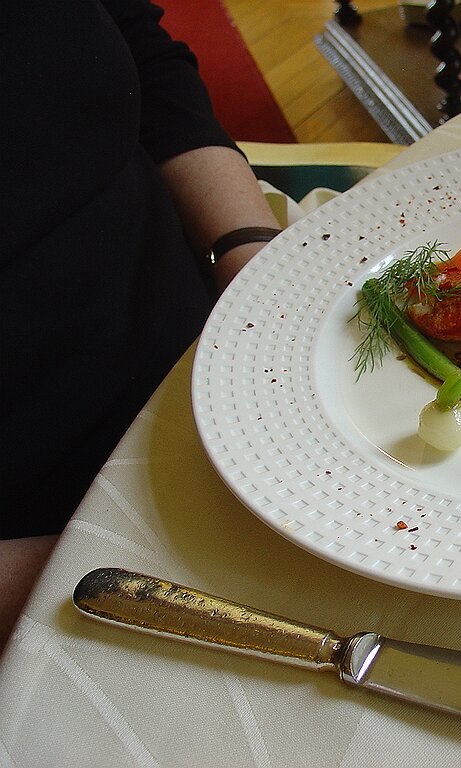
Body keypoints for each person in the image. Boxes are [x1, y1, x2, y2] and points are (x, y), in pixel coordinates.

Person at [1, 0, 283, 646]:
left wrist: (249, 253)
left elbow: (140, 53)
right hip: (57, 555)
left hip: (212, 353)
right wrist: (110, 559)